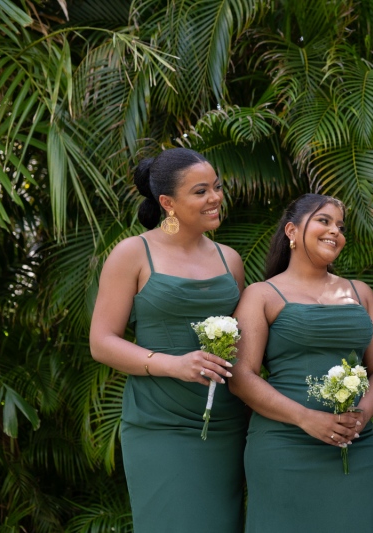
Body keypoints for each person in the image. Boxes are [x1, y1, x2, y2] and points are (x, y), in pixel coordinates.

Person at [89, 148, 248, 532]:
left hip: (226, 423)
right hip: (160, 424)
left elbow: (241, 341)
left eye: (217, 187)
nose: (215, 198)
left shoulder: (231, 260)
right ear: (167, 203)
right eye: (200, 191)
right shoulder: (133, 253)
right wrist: (173, 364)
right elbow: (102, 342)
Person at [229, 193, 373, 532]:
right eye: (324, 221)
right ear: (292, 230)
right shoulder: (262, 294)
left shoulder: (360, 293)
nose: (336, 231)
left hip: (354, 447)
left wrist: (360, 418)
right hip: (284, 445)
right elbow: (241, 376)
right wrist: (307, 419)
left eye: (341, 226)